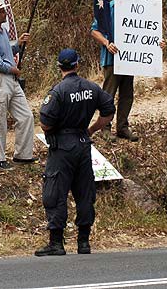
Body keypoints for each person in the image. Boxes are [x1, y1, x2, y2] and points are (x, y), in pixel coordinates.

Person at [34, 49, 115, 257]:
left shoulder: (58, 91)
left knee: (55, 192)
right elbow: (109, 110)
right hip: (83, 143)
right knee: (84, 193)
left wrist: (56, 130)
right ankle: (83, 242)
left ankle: (56, 243)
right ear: (77, 65)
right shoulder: (91, 87)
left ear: (59, 67)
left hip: (62, 146)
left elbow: (44, 122)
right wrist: (92, 129)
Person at [90, 0, 162, 140]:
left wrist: (158, 43)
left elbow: (149, 32)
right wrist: (107, 43)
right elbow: (94, 30)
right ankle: (105, 128)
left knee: (127, 95)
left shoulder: (141, 9)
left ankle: (122, 127)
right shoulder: (108, 8)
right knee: (108, 95)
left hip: (130, 59)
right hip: (111, 58)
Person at [0, 0, 35, 169]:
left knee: (26, 116)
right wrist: (14, 69)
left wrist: (17, 44)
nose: (5, 14)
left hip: (11, 80)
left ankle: (23, 155)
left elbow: (6, 53)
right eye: (2, 12)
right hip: (0, 79)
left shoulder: (2, 31)